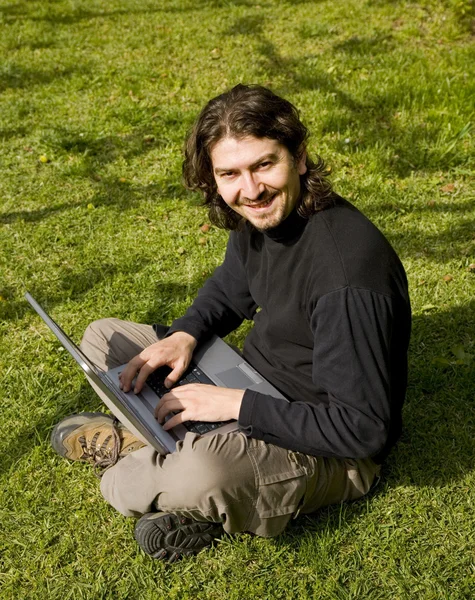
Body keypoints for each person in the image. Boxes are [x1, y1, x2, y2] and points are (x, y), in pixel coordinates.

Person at [51, 84, 411, 562]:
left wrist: (236, 405)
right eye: (230, 174)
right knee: (106, 339)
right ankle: (174, 457)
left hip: (327, 448)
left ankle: (139, 458)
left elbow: (363, 431)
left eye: (265, 164)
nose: (251, 190)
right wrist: (185, 333)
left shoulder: (346, 279)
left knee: (194, 474)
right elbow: (229, 288)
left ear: (299, 158)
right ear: (213, 177)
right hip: (251, 382)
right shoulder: (262, 218)